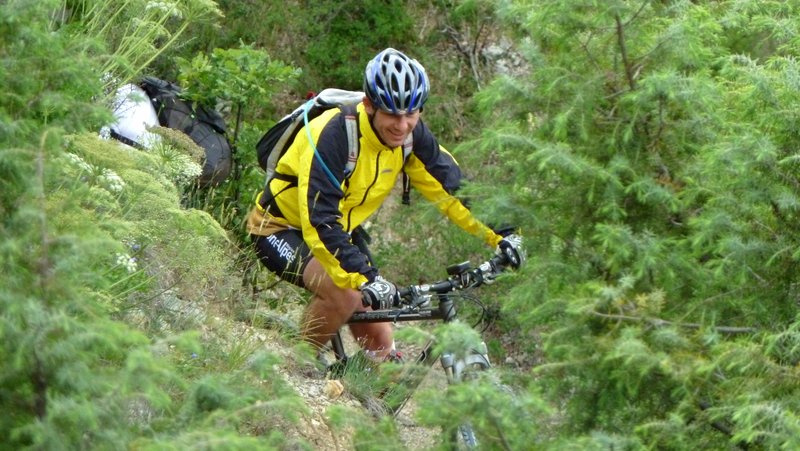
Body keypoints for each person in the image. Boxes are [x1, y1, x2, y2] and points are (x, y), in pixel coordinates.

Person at [247, 48, 524, 362]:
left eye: (412, 113)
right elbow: (320, 221)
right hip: (279, 228)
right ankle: (297, 366)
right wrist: (366, 277)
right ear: (368, 105)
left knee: (382, 348)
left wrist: (505, 234)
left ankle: (365, 397)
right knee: (346, 294)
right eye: (392, 114)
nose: (402, 125)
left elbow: (455, 189)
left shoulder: (410, 137)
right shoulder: (334, 134)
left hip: (341, 232)